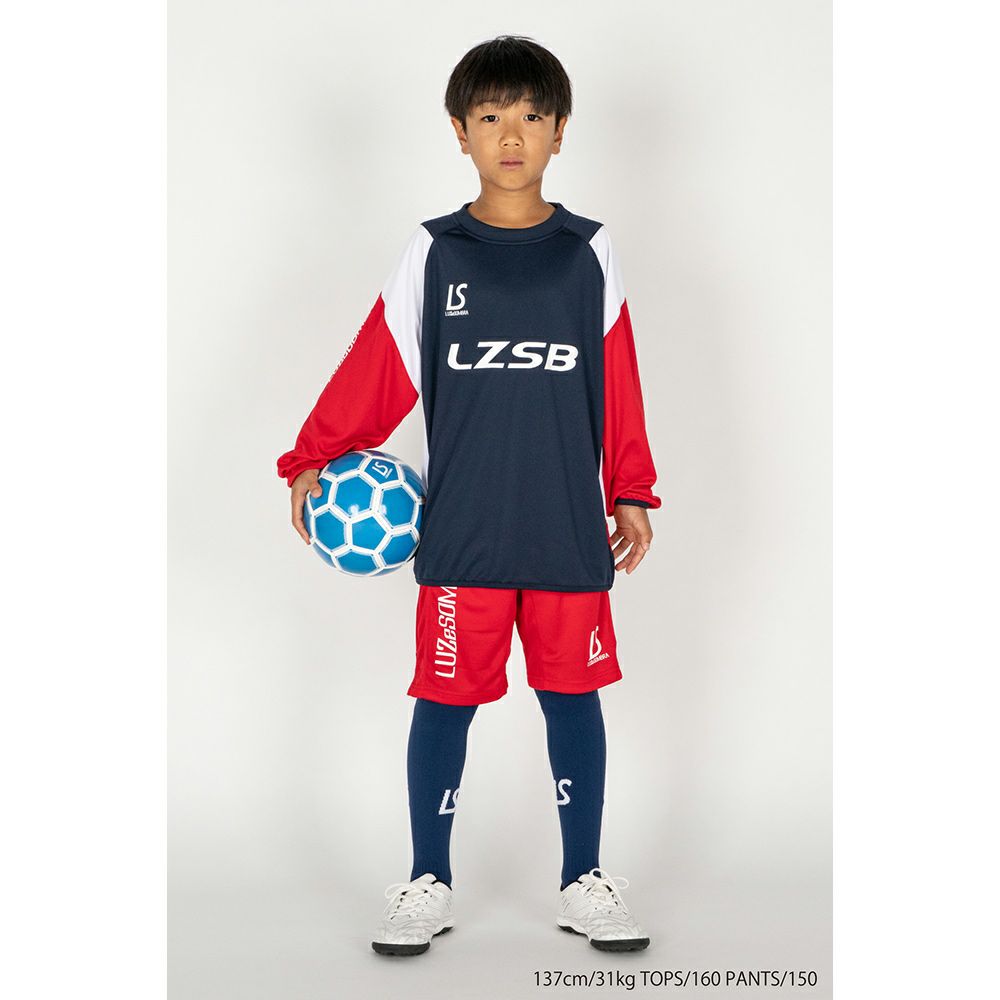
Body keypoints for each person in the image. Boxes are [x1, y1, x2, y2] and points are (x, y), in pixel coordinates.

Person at [276, 35, 661, 956]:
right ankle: (426, 881)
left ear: (560, 131)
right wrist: (311, 455)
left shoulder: (588, 252)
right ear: (459, 131)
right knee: (444, 703)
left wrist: (631, 489)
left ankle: (584, 880)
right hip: (462, 533)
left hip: (567, 532)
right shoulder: (435, 251)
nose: (511, 135)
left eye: (531, 116)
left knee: (573, 699)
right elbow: (378, 366)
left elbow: (618, 378)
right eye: (491, 116)